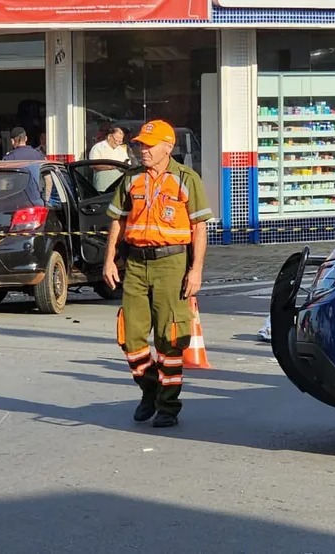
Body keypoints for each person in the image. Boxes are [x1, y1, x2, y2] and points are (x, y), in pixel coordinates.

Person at [103, 120, 214, 429]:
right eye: (140, 145)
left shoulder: (187, 179)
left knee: (170, 339)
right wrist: (109, 260)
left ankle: (168, 406)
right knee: (131, 337)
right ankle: (150, 388)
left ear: (168, 147)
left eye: (148, 145)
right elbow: (118, 221)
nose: (143, 150)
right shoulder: (131, 179)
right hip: (136, 265)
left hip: (172, 264)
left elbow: (199, 227)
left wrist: (196, 270)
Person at [88, 126, 131, 193]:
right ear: (109, 136)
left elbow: (128, 165)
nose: (117, 143)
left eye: (120, 141)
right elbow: (92, 165)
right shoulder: (98, 147)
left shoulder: (122, 150)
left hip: (118, 188)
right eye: (116, 140)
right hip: (103, 187)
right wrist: (112, 166)